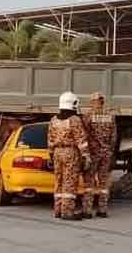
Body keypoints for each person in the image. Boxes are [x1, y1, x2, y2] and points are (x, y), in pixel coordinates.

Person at [47, 91, 91, 221]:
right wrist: (86, 156)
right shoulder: (74, 120)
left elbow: (50, 139)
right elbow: (81, 140)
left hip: (57, 153)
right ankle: (67, 212)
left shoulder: (54, 120)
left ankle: (58, 210)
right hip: (70, 153)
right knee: (69, 181)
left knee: (59, 181)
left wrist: (50, 154)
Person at [81, 92, 116, 218]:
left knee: (89, 182)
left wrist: (85, 153)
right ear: (103, 102)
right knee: (103, 182)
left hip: (93, 153)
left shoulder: (88, 116)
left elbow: (84, 135)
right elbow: (114, 137)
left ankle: (87, 210)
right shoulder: (110, 116)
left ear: (93, 102)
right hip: (106, 153)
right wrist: (109, 150)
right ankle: (103, 210)